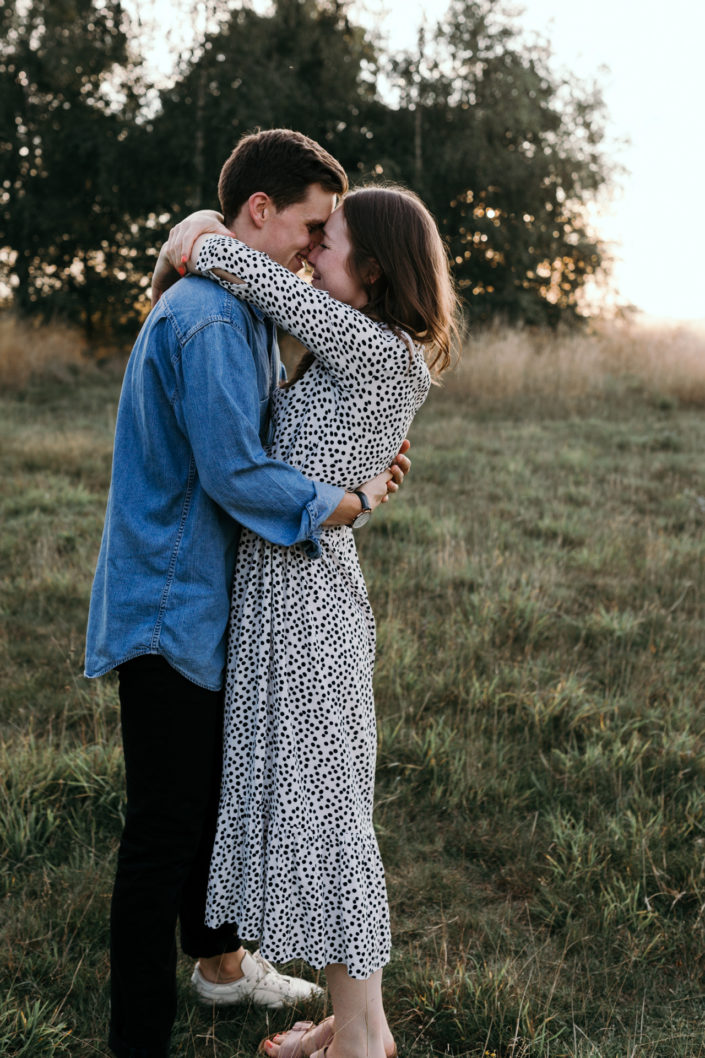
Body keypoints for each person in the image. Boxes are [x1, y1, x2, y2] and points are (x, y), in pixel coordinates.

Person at [84, 129, 410, 1058]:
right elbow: (235, 472)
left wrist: (356, 476)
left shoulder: (247, 306)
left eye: (328, 238)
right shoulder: (215, 319)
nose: (314, 250)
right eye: (310, 228)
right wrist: (342, 502)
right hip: (168, 605)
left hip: (209, 597)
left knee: (204, 803)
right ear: (259, 213)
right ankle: (140, 1038)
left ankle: (223, 968)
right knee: (164, 828)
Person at [158, 181, 458, 1058]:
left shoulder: (371, 346)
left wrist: (200, 227)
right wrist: (361, 495)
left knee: (329, 825)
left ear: (369, 268)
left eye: (329, 241)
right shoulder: (361, 350)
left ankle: (361, 1040)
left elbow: (216, 258)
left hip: (303, 609)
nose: (312, 250)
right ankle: (354, 1019)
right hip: (290, 598)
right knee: (319, 813)